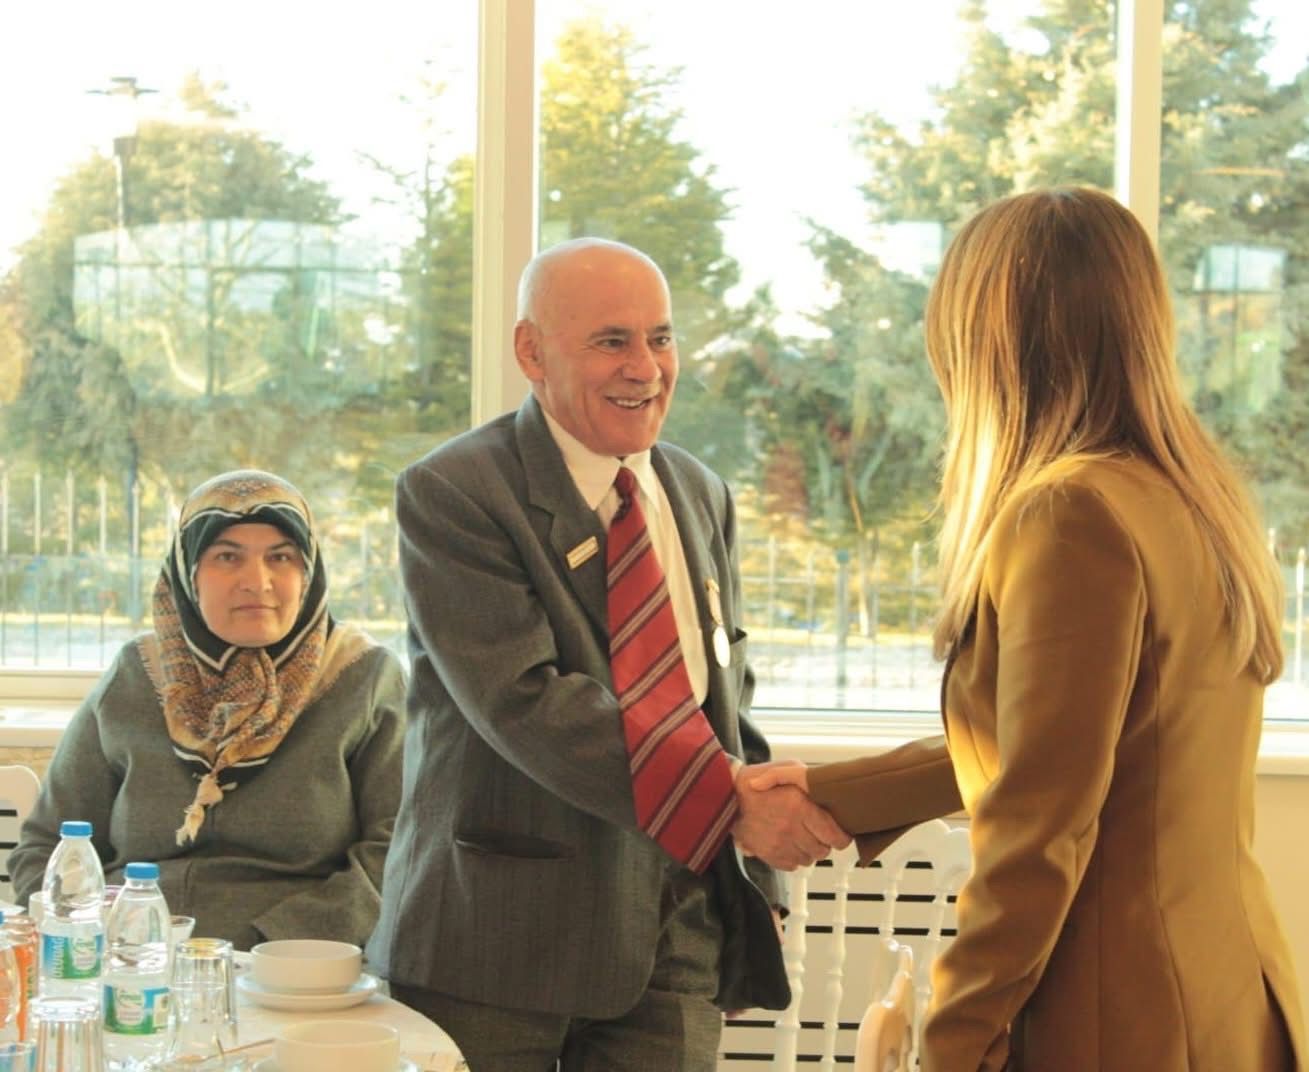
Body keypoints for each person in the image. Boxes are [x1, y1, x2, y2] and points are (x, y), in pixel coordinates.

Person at [752, 186, 1308, 1070]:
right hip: (1228, 995)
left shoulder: (1066, 514)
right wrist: (837, 793)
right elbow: (1079, 752)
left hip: (1119, 1015)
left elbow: (1040, 829)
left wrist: (954, 1039)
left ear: (986, 342)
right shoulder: (1190, 497)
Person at [366, 237, 848, 1070]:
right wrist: (730, 800)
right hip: (494, 943)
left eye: (660, 338)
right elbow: (526, 701)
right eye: (611, 341)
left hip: (676, 933)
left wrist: (757, 884)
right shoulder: (454, 492)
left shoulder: (699, 492)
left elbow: (724, 702)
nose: (645, 368)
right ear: (530, 351)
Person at [11, 469, 406, 951]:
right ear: (187, 572)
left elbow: (399, 852)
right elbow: (47, 847)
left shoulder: (364, 677)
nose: (257, 582)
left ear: (308, 572)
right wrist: (97, 939)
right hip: (133, 957)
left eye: (280, 557)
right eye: (227, 556)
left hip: (295, 966)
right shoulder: (136, 675)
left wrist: (275, 946)